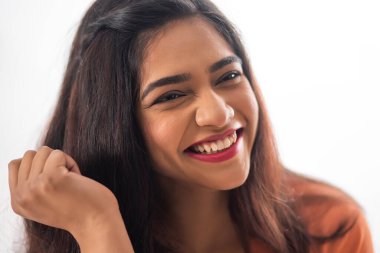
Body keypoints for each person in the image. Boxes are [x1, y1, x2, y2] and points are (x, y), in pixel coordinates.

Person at [7, 0, 374, 252]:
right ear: (117, 124)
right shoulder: (80, 231)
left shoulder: (328, 228)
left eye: (228, 75)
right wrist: (97, 226)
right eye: (171, 96)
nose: (219, 114)